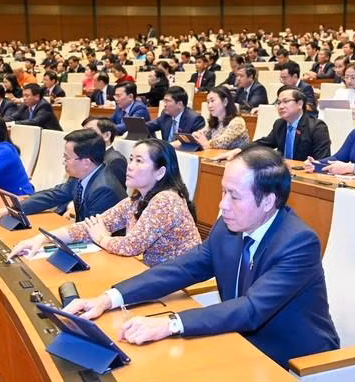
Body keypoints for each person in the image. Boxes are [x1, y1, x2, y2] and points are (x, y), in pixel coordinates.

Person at [62, 146, 339, 366]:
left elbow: (251, 309)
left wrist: (169, 323)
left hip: (291, 359)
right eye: (222, 192)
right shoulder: (229, 227)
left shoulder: (298, 243)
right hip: (235, 340)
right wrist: (108, 298)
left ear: (268, 201)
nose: (222, 205)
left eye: (234, 196)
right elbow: (181, 269)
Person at [5, 138, 200, 267]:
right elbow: (92, 225)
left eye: (139, 161)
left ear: (160, 172)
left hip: (179, 284)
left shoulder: (166, 199)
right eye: (130, 159)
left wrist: (101, 238)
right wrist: (42, 239)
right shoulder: (136, 200)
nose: (130, 166)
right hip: (149, 273)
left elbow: (130, 246)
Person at [0, 129, 126, 223]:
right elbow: (52, 196)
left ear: (86, 161)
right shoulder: (82, 176)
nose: (63, 162)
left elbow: (88, 232)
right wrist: (5, 210)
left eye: (67, 158)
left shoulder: (104, 189)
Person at [220, 86, 331, 162]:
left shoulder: (317, 127)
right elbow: (264, 143)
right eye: (278, 103)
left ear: (300, 104)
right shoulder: (280, 124)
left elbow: (323, 159)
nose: (281, 106)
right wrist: (238, 150)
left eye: (286, 101)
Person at [83, 117, 128, 187]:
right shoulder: (85, 157)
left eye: (90, 131)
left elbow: (114, 194)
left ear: (107, 135)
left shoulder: (115, 161)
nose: (83, 136)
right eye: (83, 132)